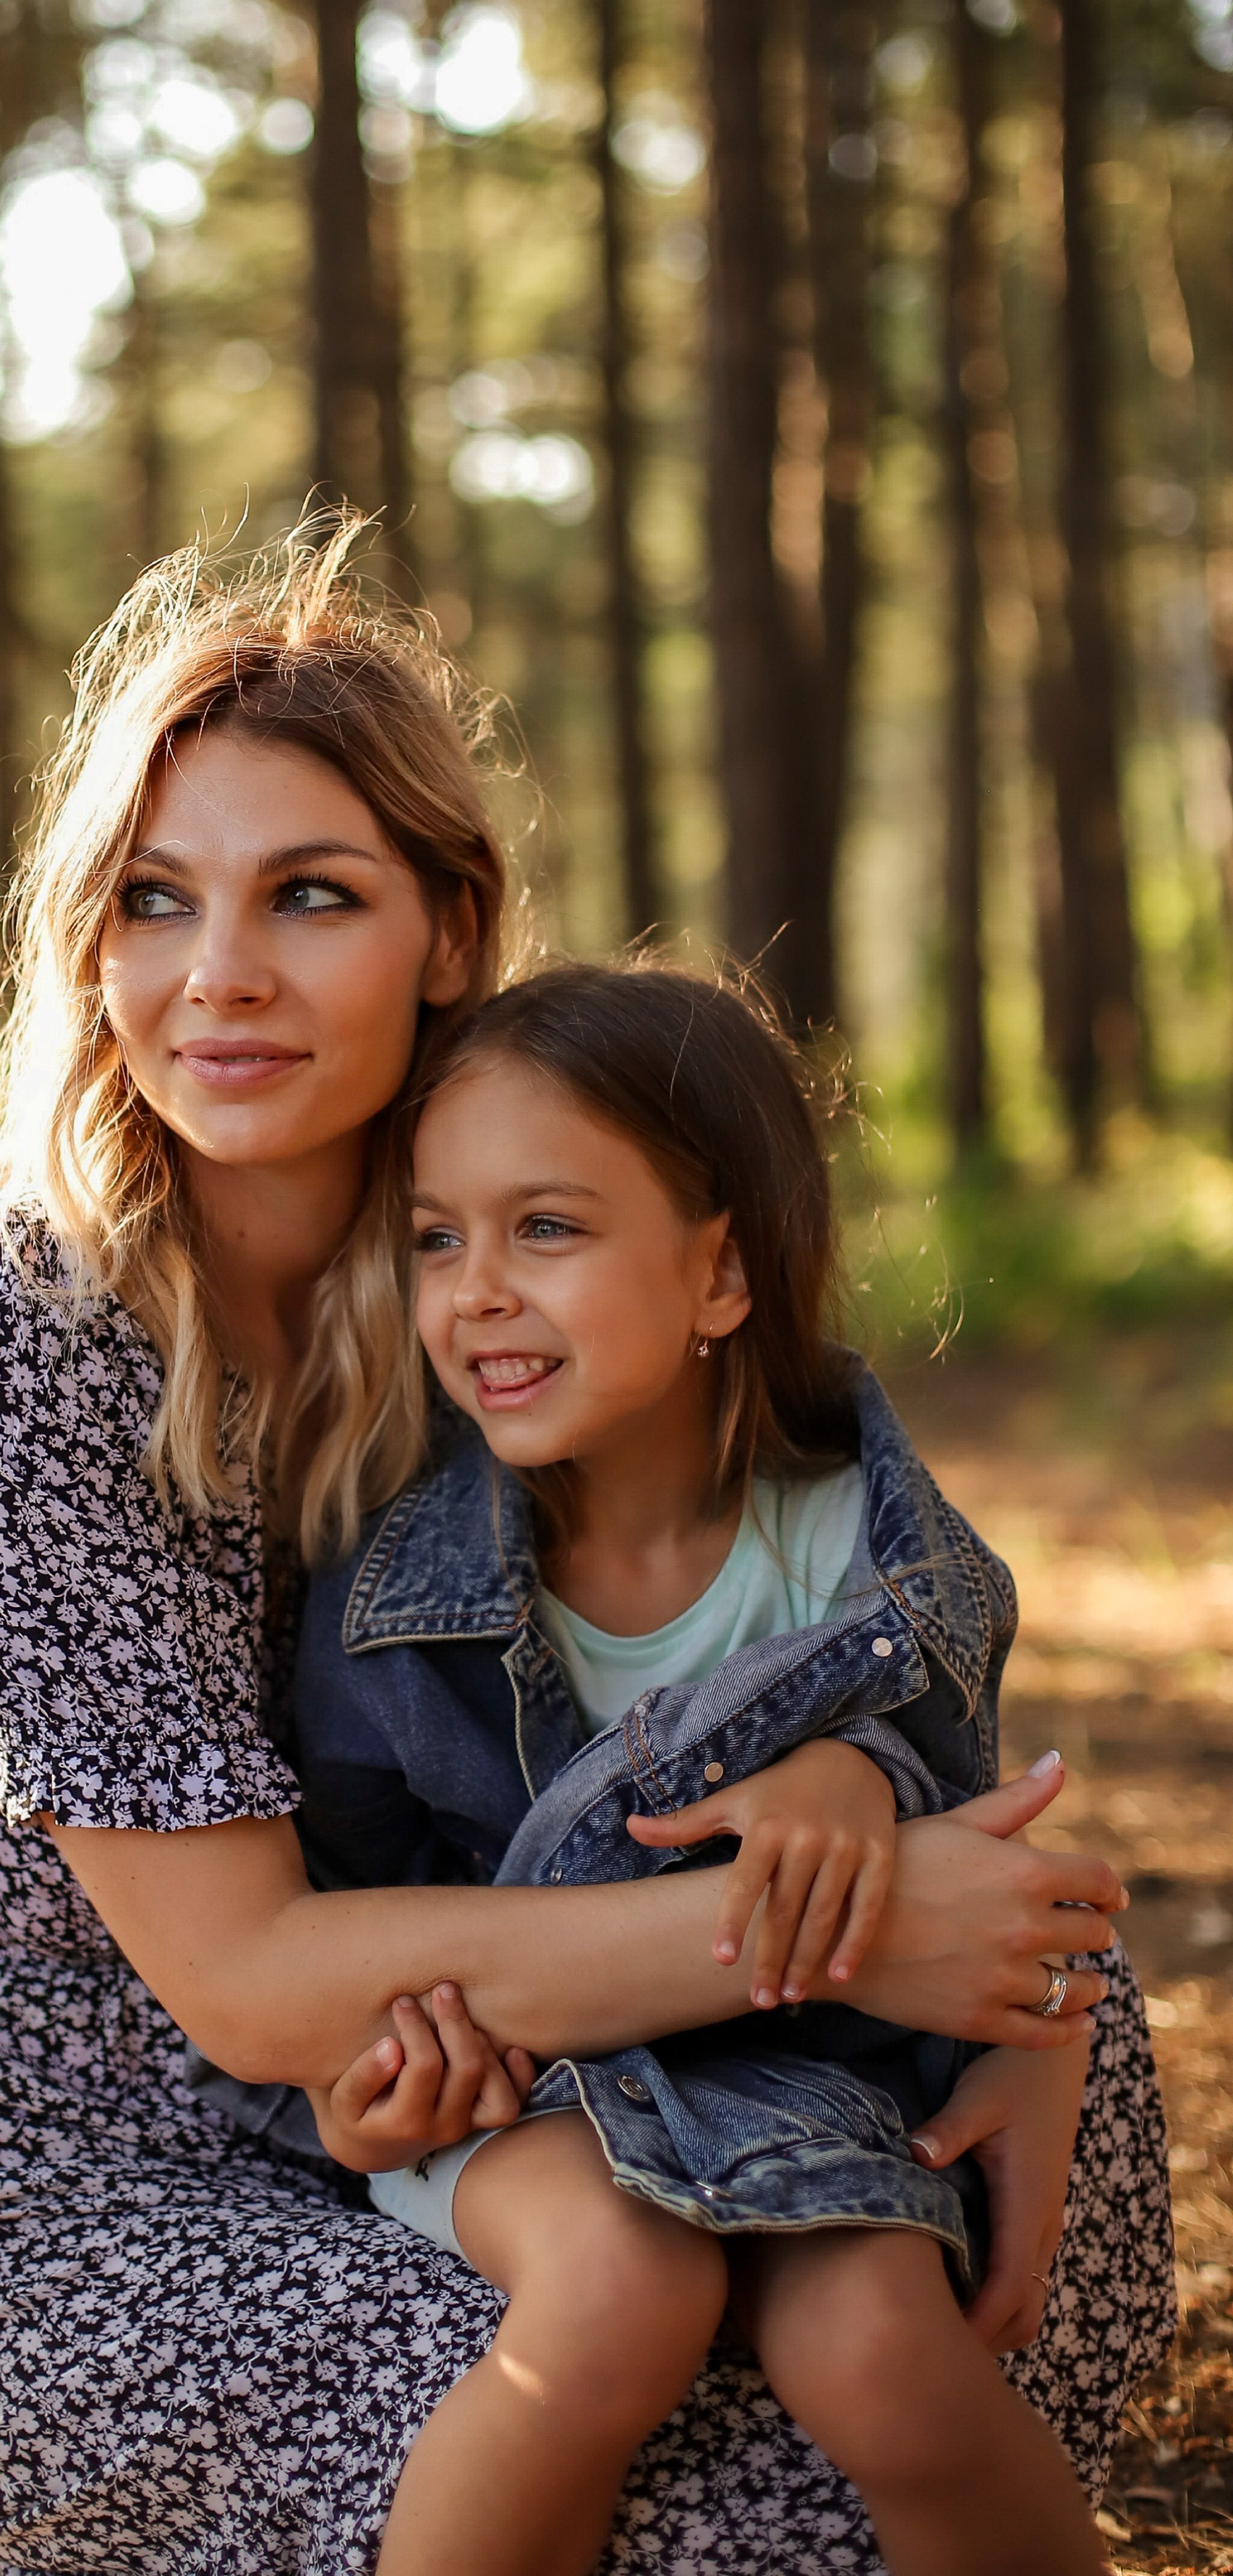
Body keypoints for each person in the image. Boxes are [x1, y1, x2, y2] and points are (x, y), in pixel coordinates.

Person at [0, 525, 1172, 2576]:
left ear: (449, 930)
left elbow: (778, 1649)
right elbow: (253, 1992)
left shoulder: (476, 1267)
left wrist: (981, 1955)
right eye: (152, 901)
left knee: (1038, 2073)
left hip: (503, 2062)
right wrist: (861, 1929)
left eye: (308, 897)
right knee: (769, 2539)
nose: (217, 974)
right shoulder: (25, 1314)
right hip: (97, 2182)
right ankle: (28, 2534)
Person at [289, 960, 1112, 2576]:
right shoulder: (393, 1601)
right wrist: (364, 2094)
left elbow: (980, 1826)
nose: (473, 1292)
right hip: (524, 2087)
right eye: (436, 1238)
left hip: (802, 2071)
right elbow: (345, 1919)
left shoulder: (859, 1552)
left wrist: (856, 1775)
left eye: (546, 1229)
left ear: (719, 1271)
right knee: (610, 2296)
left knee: (880, 2347)